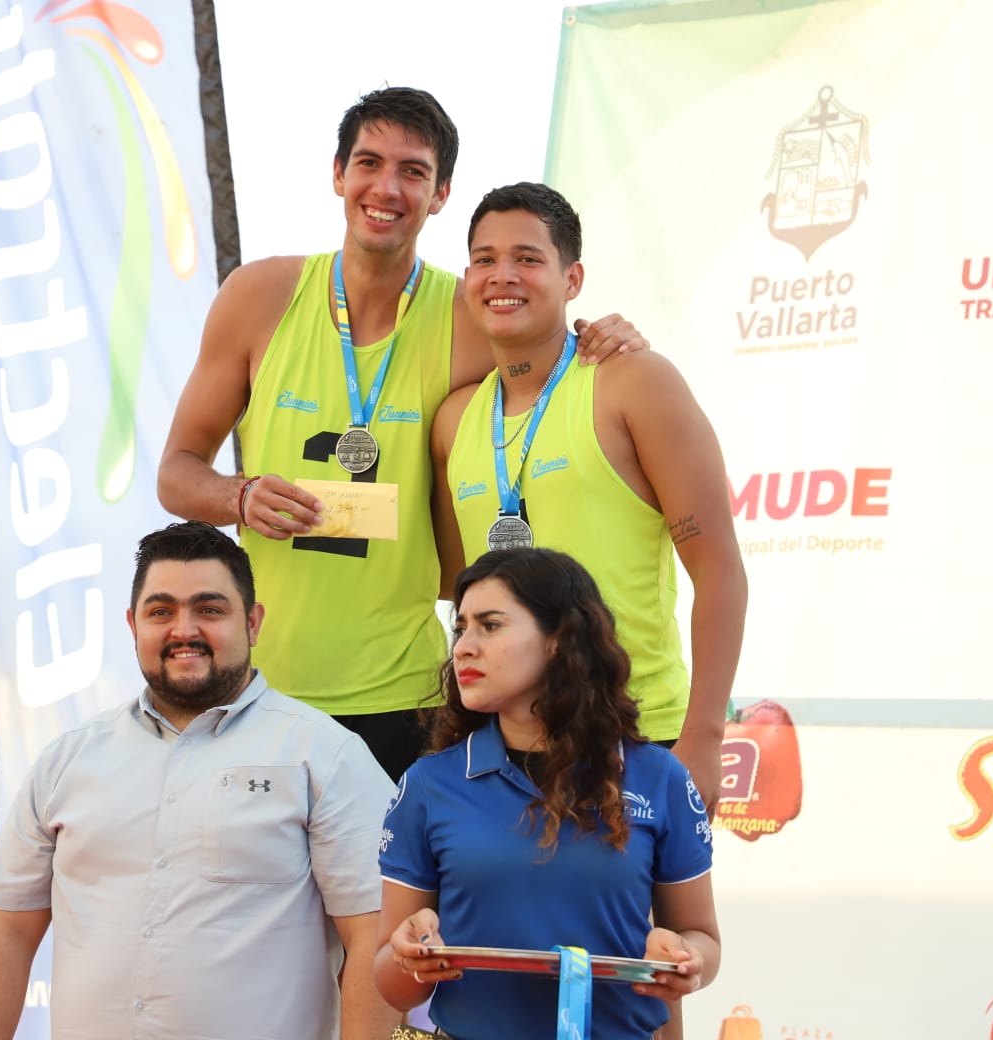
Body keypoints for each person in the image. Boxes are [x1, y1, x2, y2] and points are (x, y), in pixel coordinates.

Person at [158, 87, 650, 782]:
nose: (386, 187)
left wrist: (608, 334)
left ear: (441, 193)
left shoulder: (468, 312)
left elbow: (552, 348)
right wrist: (240, 497)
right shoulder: (260, 297)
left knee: (397, 895)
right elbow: (176, 473)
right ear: (338, 174)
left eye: (413, 171)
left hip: (408, 695)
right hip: (265, 686)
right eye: (369, 162)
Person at [0, 522, 400, 1040]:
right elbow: (5, 927)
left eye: (210, 609)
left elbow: (376, 934)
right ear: (133, 625)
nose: (183, 630)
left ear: (253, 623)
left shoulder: (327, 756)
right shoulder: (67, 762)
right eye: (160, 611)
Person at [432, 183, 747, 811]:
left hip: (633, 734)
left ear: (572, 278)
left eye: (527, 258)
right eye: (485, 259)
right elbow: (452, 583)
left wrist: (704, 737)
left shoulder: (633, 382)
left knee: (659, 918)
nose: (503, 276)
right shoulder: (455, 420)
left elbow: (719, 571)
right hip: (506, 744)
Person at [374, 548, 719, 1040]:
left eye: (490, 626)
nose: (464, 647)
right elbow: (392, 984)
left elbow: (703, 938)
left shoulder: (658, 776)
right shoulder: (428, 785)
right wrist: (409, 958)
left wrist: (686, 959)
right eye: (461, 628)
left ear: (560, 639)